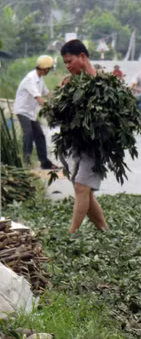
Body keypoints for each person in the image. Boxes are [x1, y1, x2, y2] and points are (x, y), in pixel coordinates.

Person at [58, 39, 109, 234]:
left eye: (70, 61)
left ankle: (71, 234)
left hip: (95, 145)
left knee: (81, 187)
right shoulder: (72, 83)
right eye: (65, 63)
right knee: (84, 190)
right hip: (76, 144)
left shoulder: (101, 84)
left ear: (82, 57)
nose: (68, 66)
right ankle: (105, 231)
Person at [12, 55, 59, 170]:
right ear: (44, 68)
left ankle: (44, 162)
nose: (48, 71)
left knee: (40, 135)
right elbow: (39, 98)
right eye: (48, 69)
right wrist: (50, 109)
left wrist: (58, 99)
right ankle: (26, 161)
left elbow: (47, 93)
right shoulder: (30, 79)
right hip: (23, 110)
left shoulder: (40, 79)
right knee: (28, 133)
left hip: (31, 112)